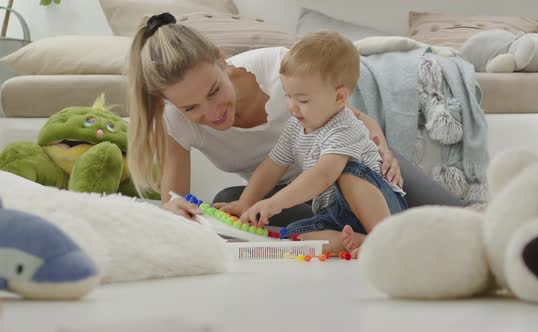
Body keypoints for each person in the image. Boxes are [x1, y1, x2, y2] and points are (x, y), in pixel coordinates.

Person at [126, 12, 466, 228]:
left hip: (346, 171)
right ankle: (367, 230)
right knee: (228, 198)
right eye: (191, 108)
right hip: (295, 194)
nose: (211, 113)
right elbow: (175, 199)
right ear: (169, 103)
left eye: (214, 91)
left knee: (459, 216)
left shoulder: (281, 70)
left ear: (220, 58)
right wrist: (177, 209)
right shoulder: (174, 120)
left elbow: (352, 118)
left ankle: (401, 227)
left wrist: (383, 149)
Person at [236, 31, 407, 256]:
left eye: (303, 100)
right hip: (335, 216)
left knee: (346, 171)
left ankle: (385, 237)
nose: (292, 106)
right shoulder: (295, 126)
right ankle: (361, 241)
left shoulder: (345, 127)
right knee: (294, 237)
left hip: (381, 207)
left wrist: (274, 203)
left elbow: (323, 175)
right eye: (288, 96)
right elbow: (272, 166)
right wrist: (246, 202)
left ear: (339, 97)